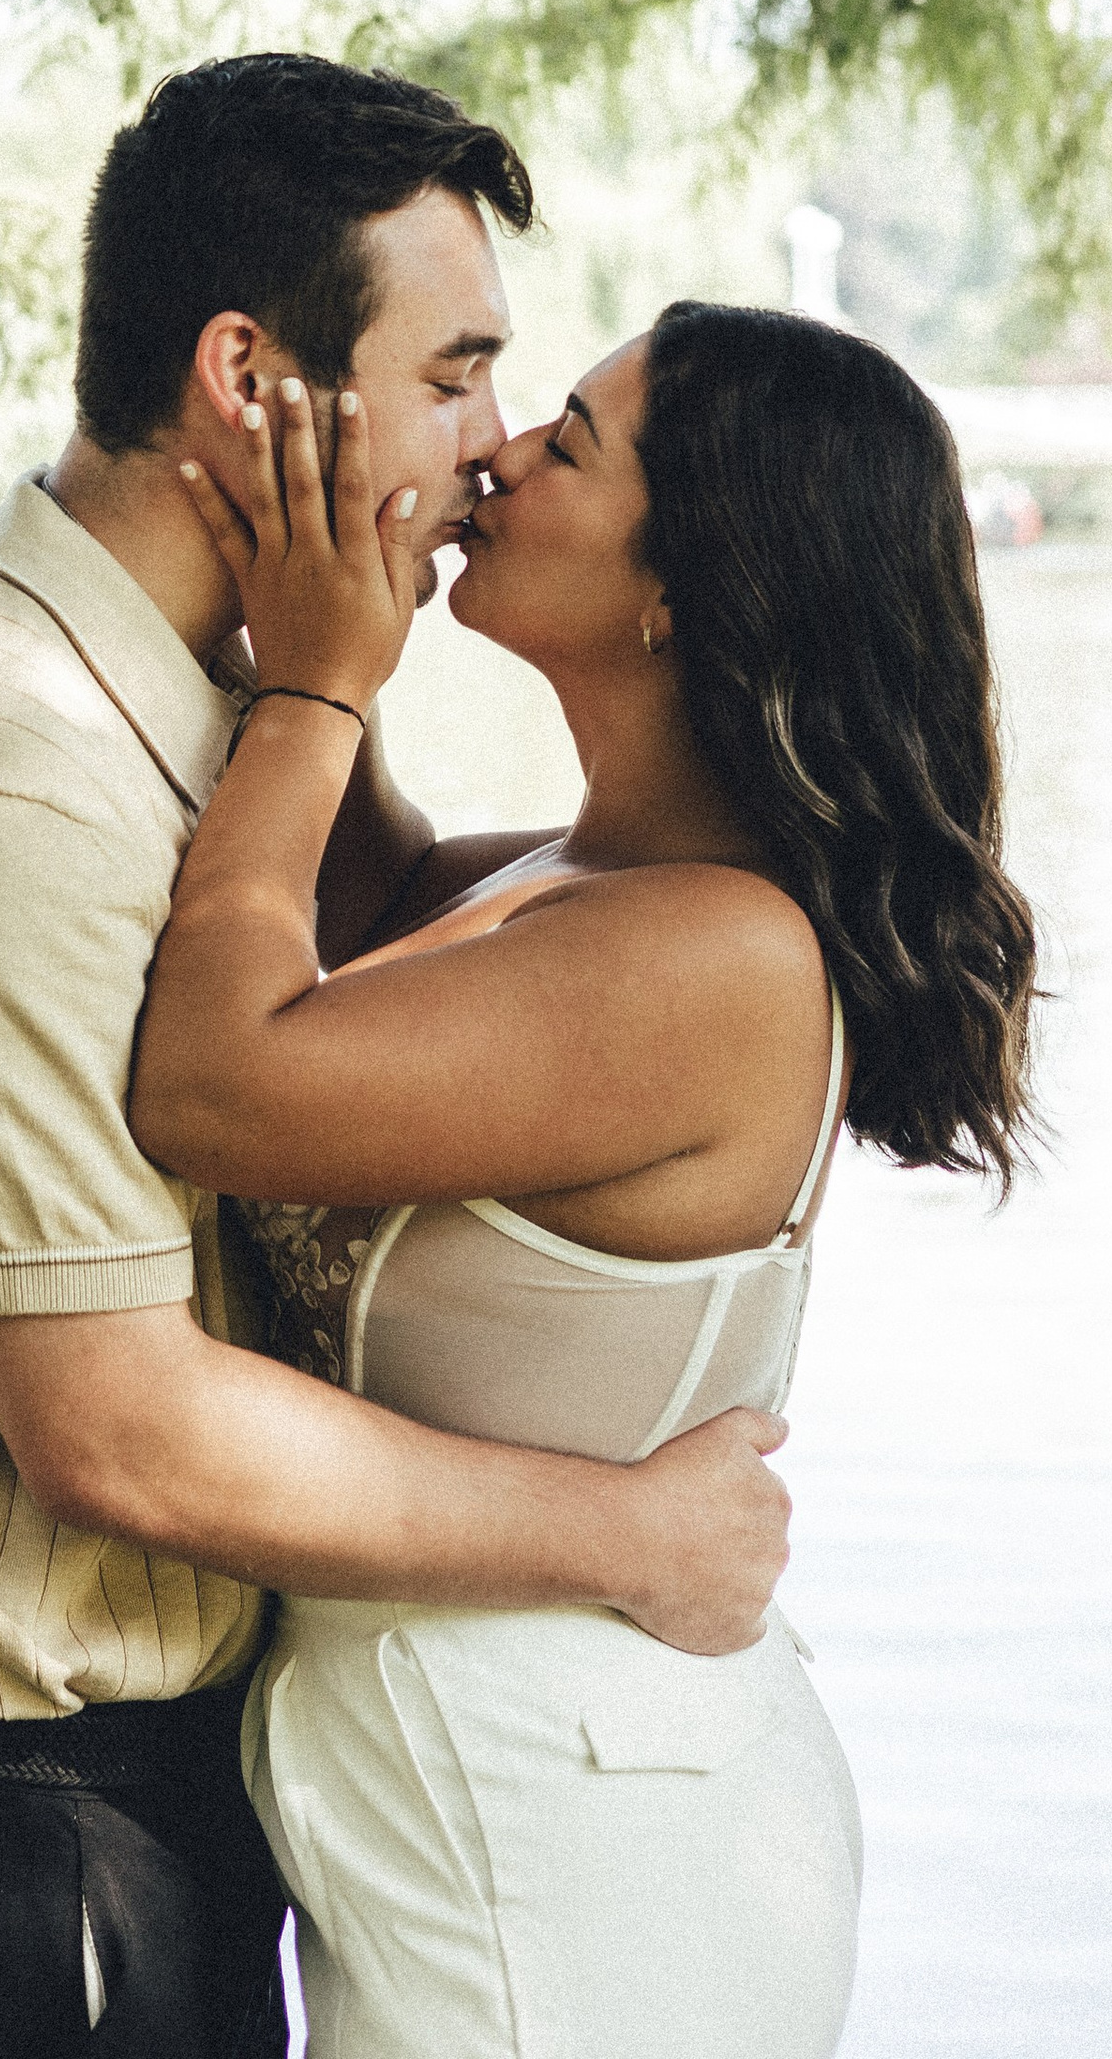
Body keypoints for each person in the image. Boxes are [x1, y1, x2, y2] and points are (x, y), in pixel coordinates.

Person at [0, 59, 798, 2059]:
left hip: (99, 1805)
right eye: (450, 374)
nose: (490, 441)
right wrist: (621, 1531)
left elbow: (430, 942)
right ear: (250, 385)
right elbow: (116, 1433)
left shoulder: (181, 701)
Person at [130, 304, 1041, 2058]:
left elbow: (214, 1087)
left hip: (585, 1851)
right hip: (490, 1796)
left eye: (566, 441)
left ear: (682, 588)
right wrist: (308, 611)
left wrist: (323, 684)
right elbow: (333, 893)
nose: (495, 459)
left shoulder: (718, 956)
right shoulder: (570, 882)